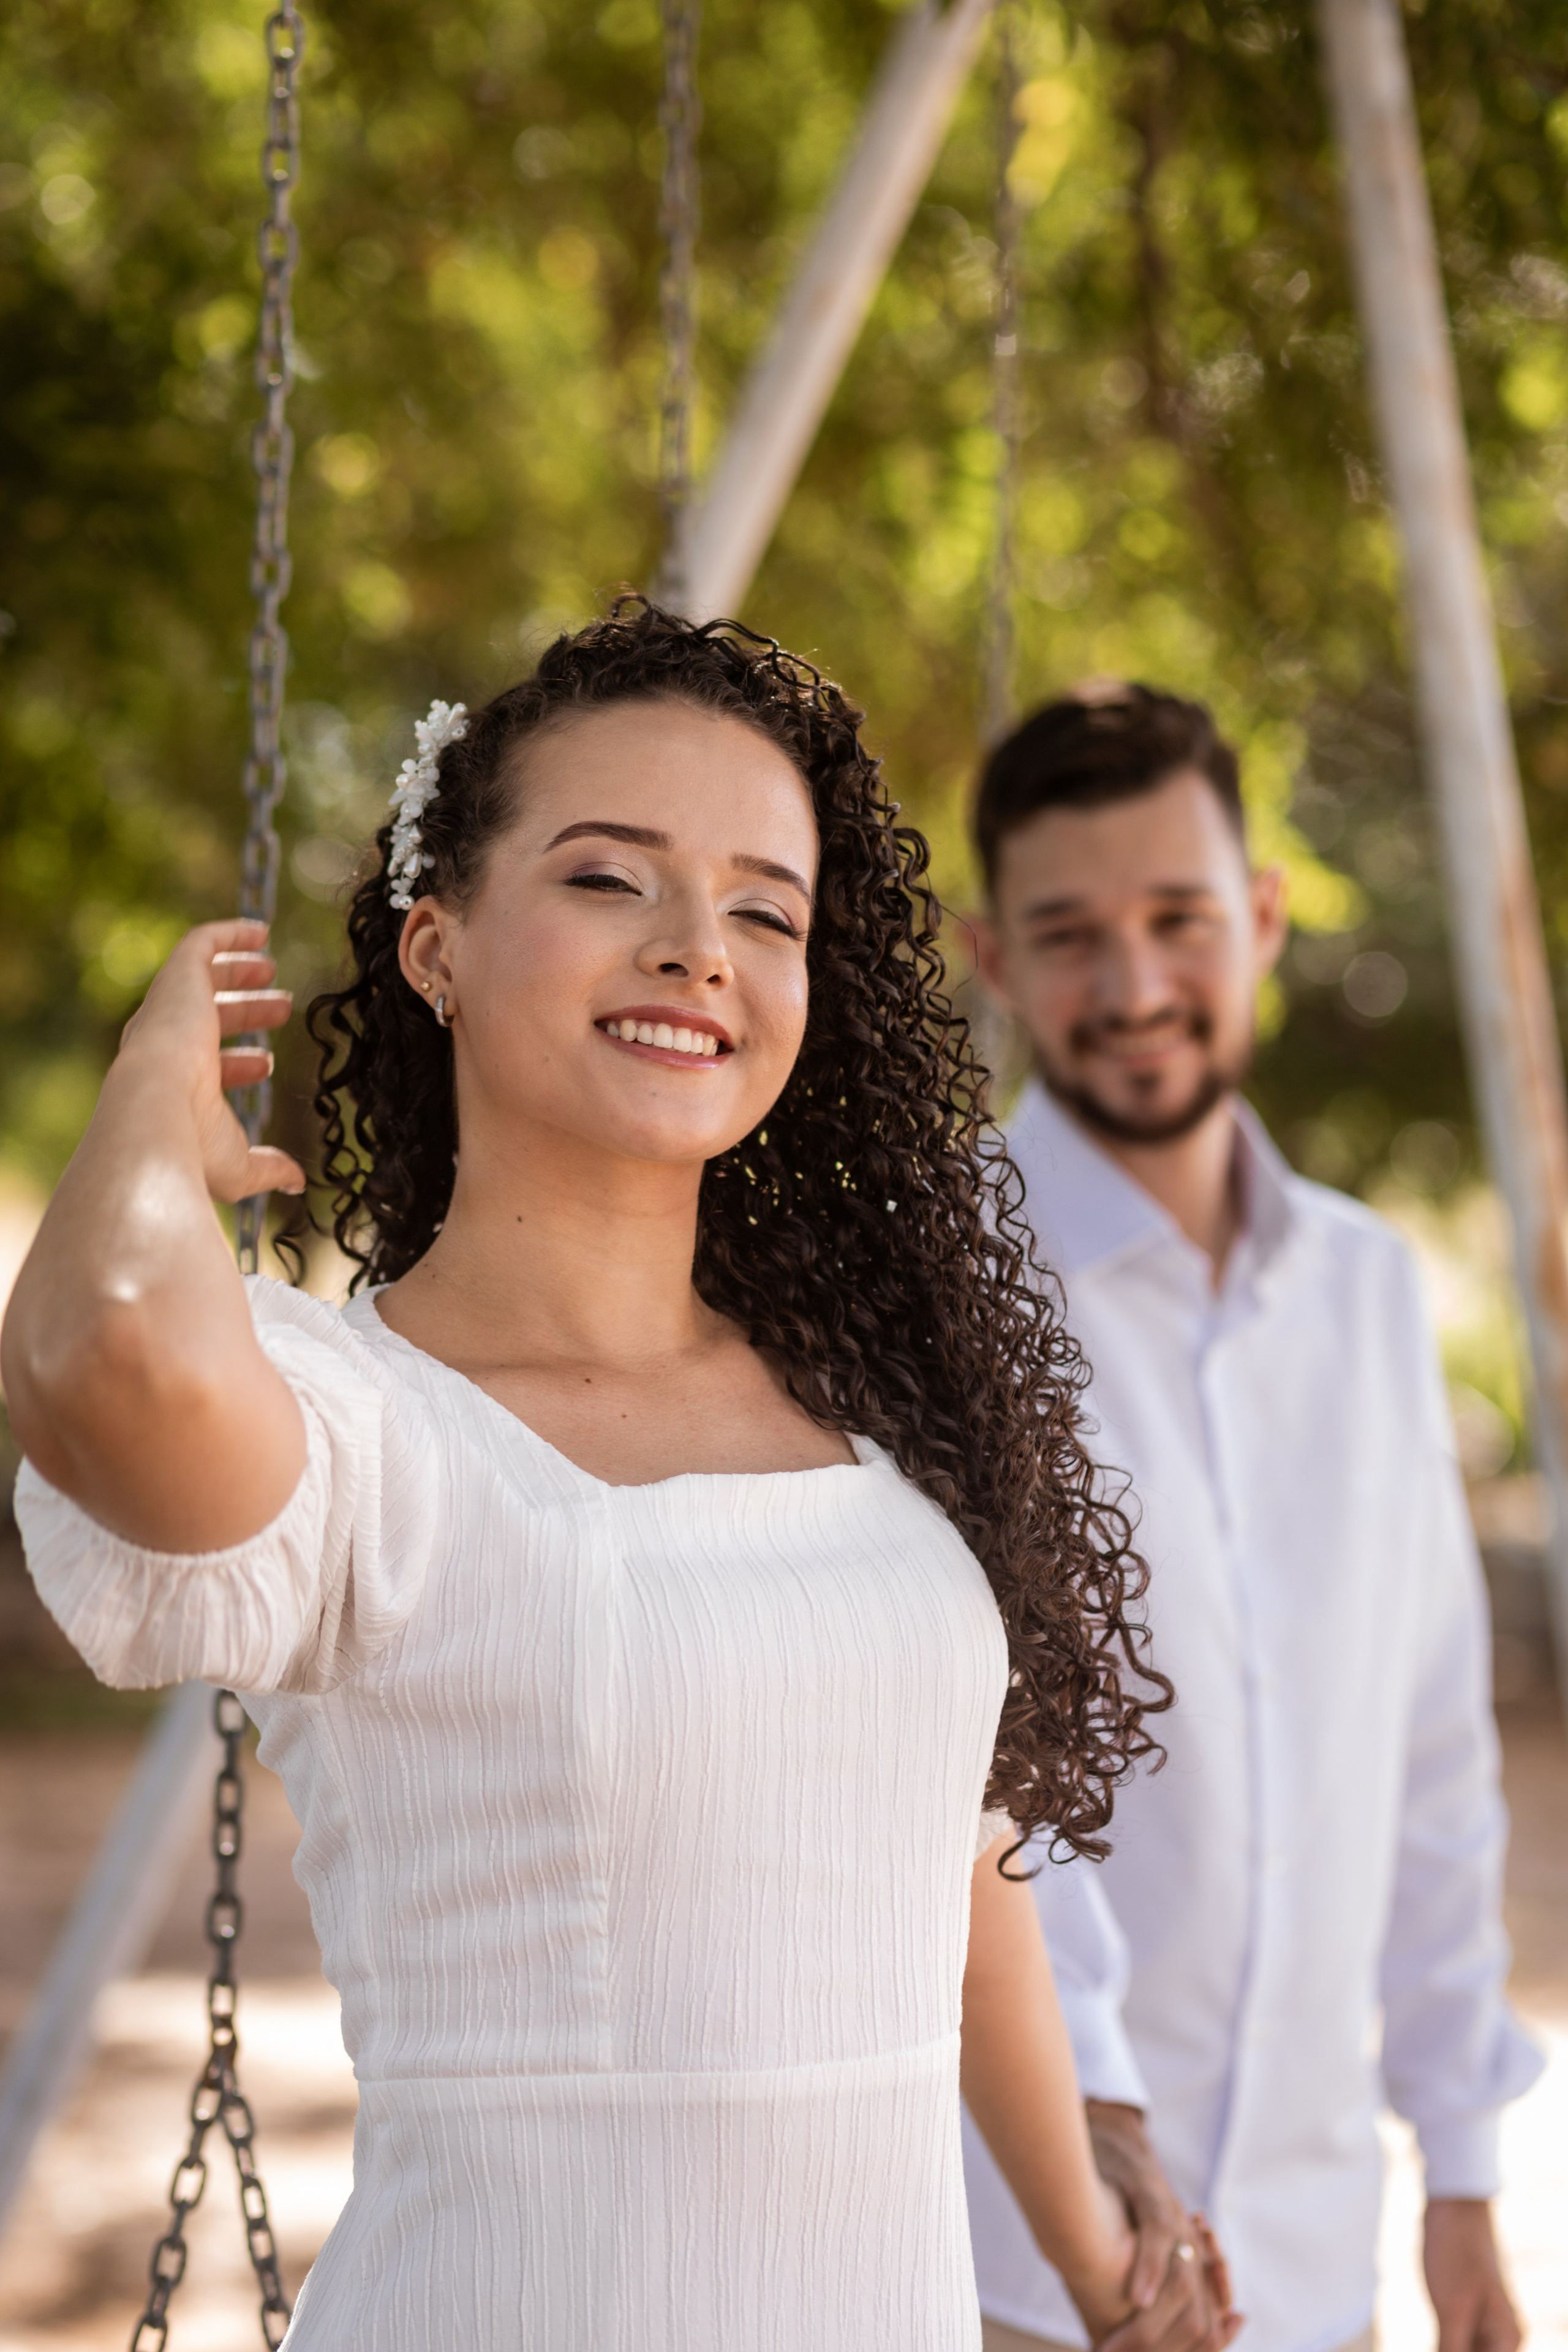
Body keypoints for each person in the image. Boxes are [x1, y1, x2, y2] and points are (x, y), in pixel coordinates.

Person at [6, 605, 1214, 2350]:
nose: (696, 951)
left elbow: (943, 1880)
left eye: (763, 910)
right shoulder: (354, 1424)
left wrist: (1104, 2269)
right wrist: (144, 1097)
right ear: (437, 948)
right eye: (606, 880)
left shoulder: (868, 1418)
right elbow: (104, 1341)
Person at [962, 684, 1544, 2352]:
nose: (1135, 988)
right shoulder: (947, 1293)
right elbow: (973, 1778)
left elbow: (1429, 1750)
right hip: (1026, 2263)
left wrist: (1458, 2176)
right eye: (1070, 936)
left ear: (1265, 919)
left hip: (1308, 2263)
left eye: (1179, 921)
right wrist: (1098, 2137)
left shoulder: (1367, 1289)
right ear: (994, 962)